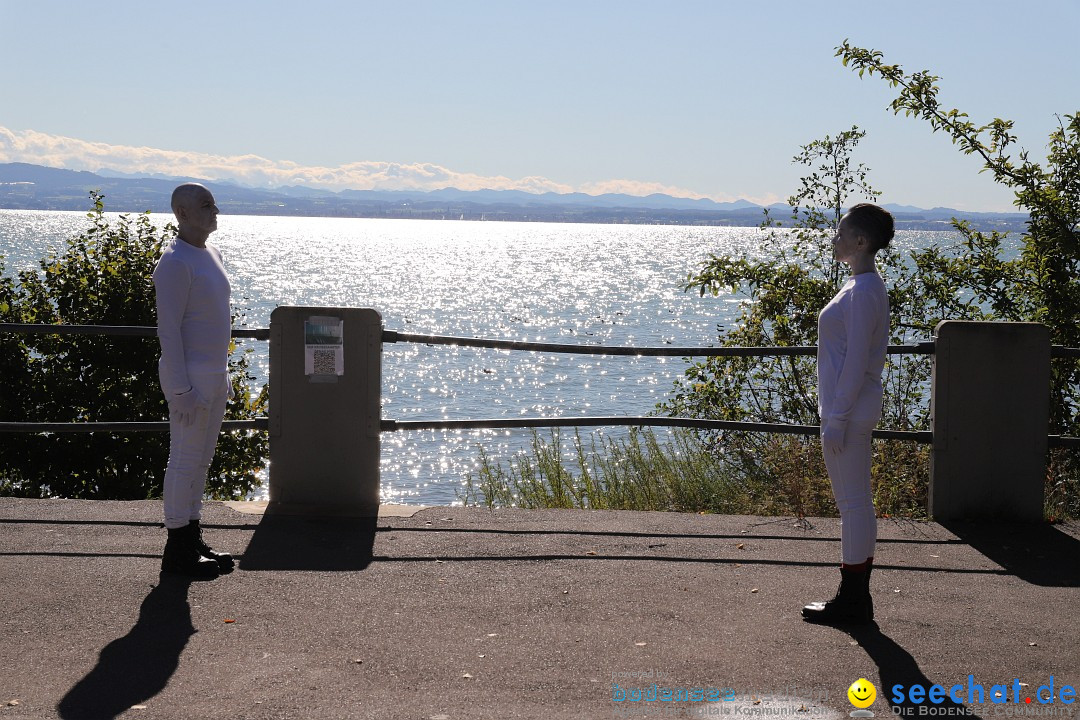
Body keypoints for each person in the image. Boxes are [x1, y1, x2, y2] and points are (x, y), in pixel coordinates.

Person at [802, 203, 893, 624]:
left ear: (861, 241)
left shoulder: (862, 291)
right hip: (854, 408)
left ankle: (854, 601)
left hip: (849, 412)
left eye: (841, 233)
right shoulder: (865, 286)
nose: (834, 238)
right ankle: (857, 598)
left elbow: (855, 359)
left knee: (853, 504)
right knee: (857, 503)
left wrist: (835, 418)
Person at [153, 183, 234, 578]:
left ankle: (192, 535)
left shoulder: (210, 253)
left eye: (213, 203)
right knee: (183, 460)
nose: (215, 209)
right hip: (190, 379)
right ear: (182, 213)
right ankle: (177, 547)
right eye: (206, 205)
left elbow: (212, 321)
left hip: (212, 375)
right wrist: (181, 388)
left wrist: (223, 375)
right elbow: (168, 332)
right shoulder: (174, 262)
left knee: (200, 461)